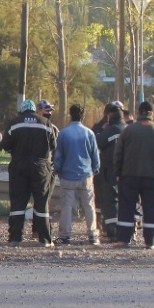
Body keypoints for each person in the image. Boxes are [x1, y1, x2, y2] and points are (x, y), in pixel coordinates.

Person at [114, 101, 154, 249]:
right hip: (153, 178)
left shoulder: (128, 131)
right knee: (151, 209)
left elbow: (118, 154)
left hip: (129, 176)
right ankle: (150, 241)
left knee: (126, 208)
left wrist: (118, 173)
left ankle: (123, 239)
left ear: (139, 112)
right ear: (152, 114)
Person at [3, 99, 58, 248]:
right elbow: (53, 145)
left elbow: (5, 145)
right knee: (41, 202)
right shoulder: (46, 123)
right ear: (34, 110)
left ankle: (15, 238)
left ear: (22, 110)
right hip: (41, 166)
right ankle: (45, 239)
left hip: (19, 166)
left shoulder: (14, 123)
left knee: (18, 202)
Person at [53, 104, 101, 245]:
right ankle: (93, 235)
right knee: (89, 206)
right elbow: (95, 155)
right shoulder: (89, 133)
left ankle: (65, 235)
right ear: (83, 116)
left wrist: (58, 170)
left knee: (67, 206)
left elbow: (58, 155)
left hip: (68, 175)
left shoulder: (64, 133)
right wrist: (94, 169)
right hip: (86, 174)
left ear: (70, 115)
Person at [94, 101, 126, 239]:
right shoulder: (129, 128)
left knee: (109, 200)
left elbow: (97, 142)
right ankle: (128, 229)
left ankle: (110, 230)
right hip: (127, 170)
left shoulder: (108, 129)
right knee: (126, 199)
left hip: (108, 170)